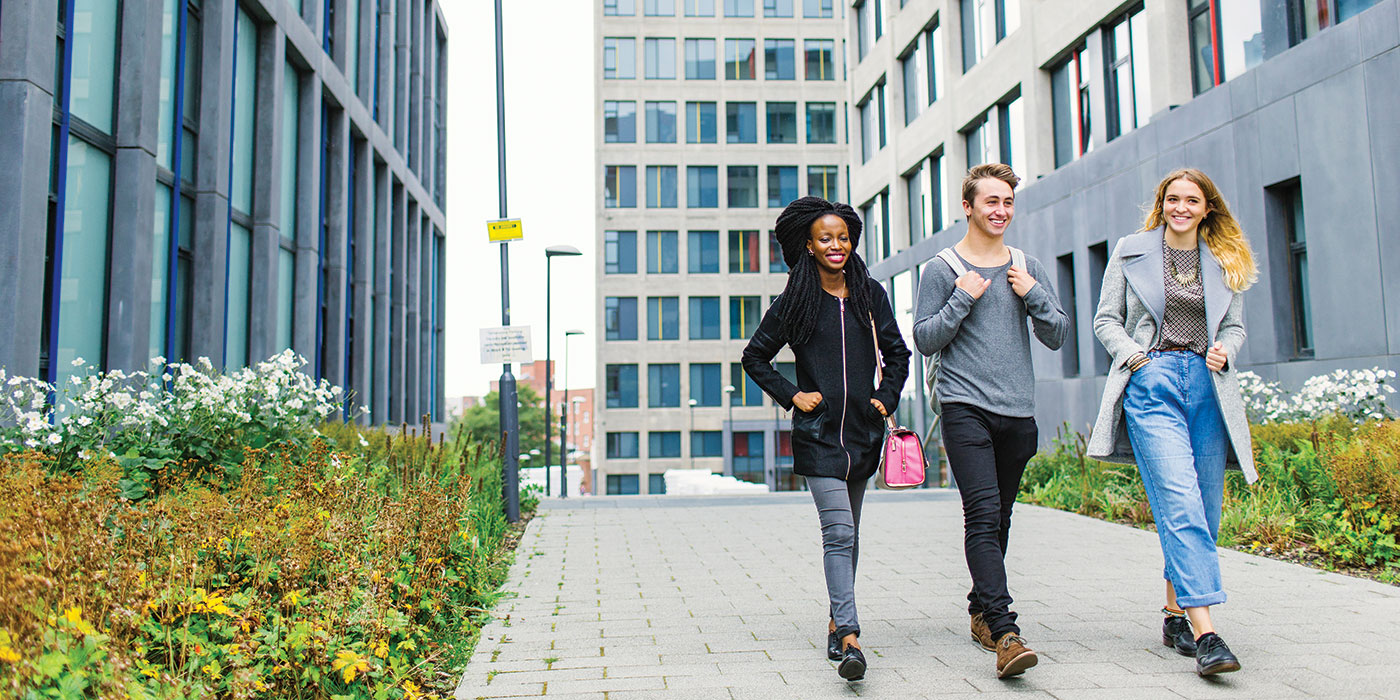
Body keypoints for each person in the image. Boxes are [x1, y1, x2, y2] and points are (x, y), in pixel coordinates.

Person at [1088, 167, 1257, 676]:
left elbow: (1235, 326)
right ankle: (1207, 634)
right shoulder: (1131, 248)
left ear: (1208, 208)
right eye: (1172, 198)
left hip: (1208, 387)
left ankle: (1173, 615)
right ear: (1161, 203)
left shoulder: (1224, 258)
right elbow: (1105, 319)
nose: (1181, 207)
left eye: (1192, 200)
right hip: (1153, 382)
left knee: (1203, 511)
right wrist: (1135, 358)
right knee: (1179, 500)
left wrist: (1227, 348)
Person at [742, 196, 910, 682]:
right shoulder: (795, 301)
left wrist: (885, 397)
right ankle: (852, 636)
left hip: (862, 435)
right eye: (825, 238)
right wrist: (794, 396)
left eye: (842, 237)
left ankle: (838, 619)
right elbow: (755, 357)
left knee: (850, 534)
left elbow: (898, 353)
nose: (836, 245)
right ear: (809, 246)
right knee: (838, 532)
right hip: (818, 438)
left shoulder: (869, 294)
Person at [912, 163, 1068, 679]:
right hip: (965, 408)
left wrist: (1033, 294)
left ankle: (980, 609)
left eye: (1007, 202)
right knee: (981, 515)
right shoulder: (942, 268)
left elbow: (1057, 334)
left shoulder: (1027, 265)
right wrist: (962, 296)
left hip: (1018, 412)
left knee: (999, 518)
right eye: (990, 202)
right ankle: (1005, 631)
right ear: (968, 207)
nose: (1000, 211)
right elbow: (925, 338)